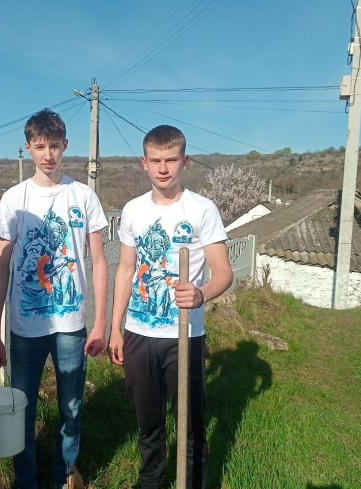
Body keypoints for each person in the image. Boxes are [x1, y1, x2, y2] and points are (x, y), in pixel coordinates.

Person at [106, 125, 233, 489]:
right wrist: (116, 329)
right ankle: (150, 482)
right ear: (144, 163)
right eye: (156, 161)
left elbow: (224, 272)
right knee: (148, 424)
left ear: (185, 161)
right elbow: (126, 270)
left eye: (171, 160)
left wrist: (201, 294)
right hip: (138, 334)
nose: (163, 168)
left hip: (184, 336)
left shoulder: (202, 210)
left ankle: (191, 483)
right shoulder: (133, 210)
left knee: (190, 425)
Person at [0, 108, 108, 489]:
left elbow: (100, 261)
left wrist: (101, 322)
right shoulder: (14, 199)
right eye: (40, 147)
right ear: (28, 148)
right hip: (25, 328)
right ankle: (26, 482)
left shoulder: (83, 196)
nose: (48, 155)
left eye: (54, 146)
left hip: (72, 326)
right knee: (22, 411)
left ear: (65, 145)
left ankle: (64, 478)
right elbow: (1, 266)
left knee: (71, 409)